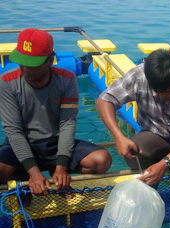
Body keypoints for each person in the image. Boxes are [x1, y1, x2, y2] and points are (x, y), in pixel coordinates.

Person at [0, 28, 112, 195]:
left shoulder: (67, 79)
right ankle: (25, 176)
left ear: (50, 60)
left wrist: (62, 165)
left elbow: (67, 124)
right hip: (21, 144)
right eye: (22, 61)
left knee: (102, 160)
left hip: (55, 143)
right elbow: (14, 131)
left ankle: (56, 172)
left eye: (32, 64)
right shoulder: (6, 82)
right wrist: (33, 172)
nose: (25, 68)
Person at [96, 49, 170, 186]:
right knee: (134, 153)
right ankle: (149, 185)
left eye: (168, 91)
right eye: (156, 91)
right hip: (155, 135)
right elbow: (105, 100)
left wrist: (165, 164)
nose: (161, 96)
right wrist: (119, 137)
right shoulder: (139, 75)